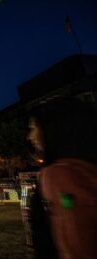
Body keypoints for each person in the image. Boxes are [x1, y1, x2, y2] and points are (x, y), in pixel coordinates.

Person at [28, 98, 97, 259]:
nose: (30, 136)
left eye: (33, 127)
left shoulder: (60, 175)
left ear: (52, 129)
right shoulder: (85, 167)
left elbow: (72, 235)